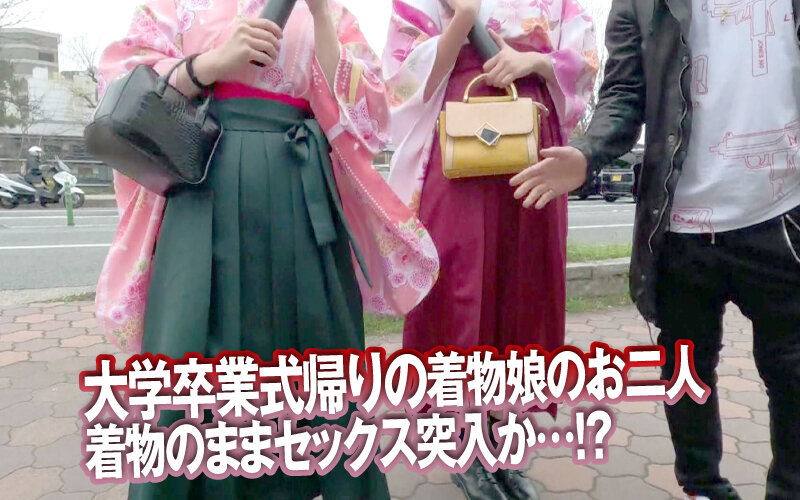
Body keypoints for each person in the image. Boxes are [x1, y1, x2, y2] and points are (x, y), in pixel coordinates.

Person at [95, 0, 440, 498]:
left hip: (301, 186)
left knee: (319, 351)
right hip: (202, 183)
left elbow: (372, 116)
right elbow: (121, 78)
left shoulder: (328, 12)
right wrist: (207, 65)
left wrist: (320, 19)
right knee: (191, 349)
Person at [509, 0, 800, 499]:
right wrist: (586, 152)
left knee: (792, 372)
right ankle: (703, 487)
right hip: (679, 222)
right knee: (686, 370)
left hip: (782, 215)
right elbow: (624, 93)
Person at [382, 0, 597, 498]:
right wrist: (462, 18)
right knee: (457, 279)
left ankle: (501, 441)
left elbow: (585, 59)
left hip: (532, 127)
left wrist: (535, 61)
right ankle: (460, 440)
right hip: (458, 125)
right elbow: (401, 77)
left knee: (524, 281)